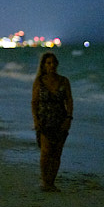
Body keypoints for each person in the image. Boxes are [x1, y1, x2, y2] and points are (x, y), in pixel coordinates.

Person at [31, 52, 73, 192]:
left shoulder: (64, 81)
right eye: (48, 63)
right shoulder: (39, 81)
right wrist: (36, 120)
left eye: (53, 62)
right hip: (44, 120)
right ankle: (44, 180)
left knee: (57, 153)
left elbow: (69, 100)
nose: (52, 65)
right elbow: (34, 102)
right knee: (45, 152)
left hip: (60, 120)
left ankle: (52, 182)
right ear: (44, 65)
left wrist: (69, 118)